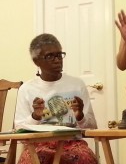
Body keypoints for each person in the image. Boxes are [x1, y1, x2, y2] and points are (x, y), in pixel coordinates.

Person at [14, 33, 98, 164]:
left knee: (84, 158)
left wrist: (80, 116)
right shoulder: (27, 89)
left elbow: (92, 127)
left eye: (59, 55)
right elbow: (19, 130)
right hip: (38, 145)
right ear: (36, 61)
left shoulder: (77, 84)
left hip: (72, 143)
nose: (57, 60)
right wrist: (35, 116)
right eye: (50, 56)